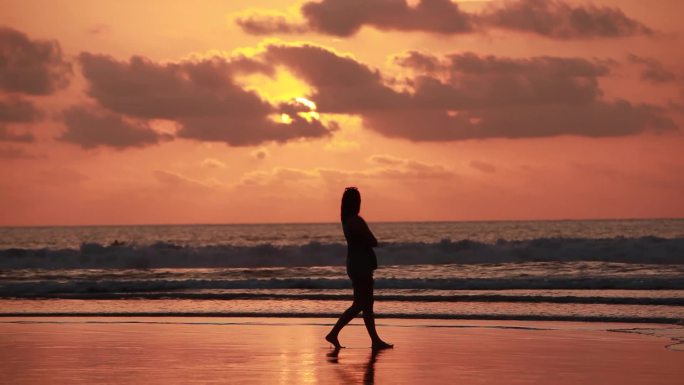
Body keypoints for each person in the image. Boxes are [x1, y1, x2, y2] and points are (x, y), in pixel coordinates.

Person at [325, 187, 393, 350]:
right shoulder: (356, 220)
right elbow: (372, 241)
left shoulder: (346, 221)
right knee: (361, 304)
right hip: (361, 264)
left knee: (366, 304)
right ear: (356, 203)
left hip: (353, 263)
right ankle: (334, 333)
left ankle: (375, 340)